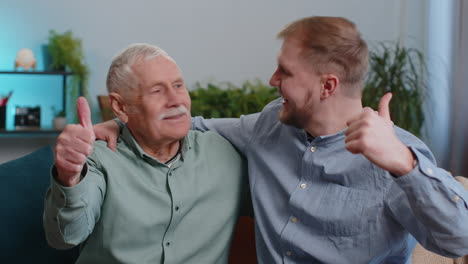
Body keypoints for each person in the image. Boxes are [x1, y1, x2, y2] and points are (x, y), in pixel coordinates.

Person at [94, 17, 468, 263]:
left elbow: (459, 240)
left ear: (328, 85)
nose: (273, 79)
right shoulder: (270, 123)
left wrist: (404, 164)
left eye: (285, 72)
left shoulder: (395, 154)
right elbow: (197, 125)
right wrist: (122, 123)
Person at [43, 43, 249, 264]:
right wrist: (69, 176)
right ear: (121, 107)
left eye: (178, 86)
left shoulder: (223, 153)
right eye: (157, 91)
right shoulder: (98, 159)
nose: (175, 100)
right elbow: (66, 237)